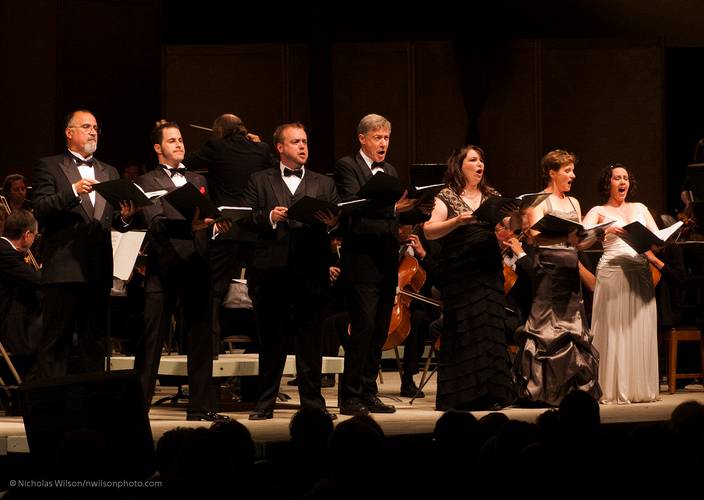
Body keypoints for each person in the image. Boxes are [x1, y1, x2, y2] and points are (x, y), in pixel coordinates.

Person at [29, 109, 137, 380]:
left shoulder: (109, 170)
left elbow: (111, 220)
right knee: (56, 342)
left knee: (95, 343)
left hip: (97, 271)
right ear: (69, 133)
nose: (93, 132)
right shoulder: (50, 165)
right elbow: (41, 208)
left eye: (96, 128)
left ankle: (91, 408)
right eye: (86, 126)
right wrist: (73, 191)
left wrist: (124, 219)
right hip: (63, 269)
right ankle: (53, 408)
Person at [242, 122, 339, 420]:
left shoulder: (324, 183)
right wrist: (269, 216)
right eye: (296, 142)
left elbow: (338, 218)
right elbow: (245, 218)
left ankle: (313, 403)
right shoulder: (259, 180)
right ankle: (265, 402)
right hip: (272, 272)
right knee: (271, 341)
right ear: (280, 147)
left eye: (305, 142)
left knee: (311, 341)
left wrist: (332, 223)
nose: (302, 147)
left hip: (311, 270)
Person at [134, 121, 229, 422]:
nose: (178, 144)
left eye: (181, 140)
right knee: (151, 341)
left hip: (198, 267)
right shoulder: (147, 181)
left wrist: (216, 224)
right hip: (163, 267)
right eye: (171, 140)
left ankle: (200, 406)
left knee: (202, 339)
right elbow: (154, 221)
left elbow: (208, 212)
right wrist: (191, 224)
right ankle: (138, 407)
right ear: (158, 148)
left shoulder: (198, 178)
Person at [333, 113, 422, 415]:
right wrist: (394, 208)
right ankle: (350, 395)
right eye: (377, 138)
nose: (383, 143)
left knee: (380, 329)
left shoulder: (390, 169)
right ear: (363, 139)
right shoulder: (348, 166)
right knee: (363, 326)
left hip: (386, 260)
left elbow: (393, 215)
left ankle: (369, 391)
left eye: (386, 138)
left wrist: (416, 211)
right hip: (361, 261)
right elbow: (352, 209)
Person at [423, 145, 515, 411]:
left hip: (487, 268)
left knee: (489, 328)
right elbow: (429, 231)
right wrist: (457, 222)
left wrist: (514, 221)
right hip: (461, 271)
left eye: (481, 160)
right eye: (473, 160)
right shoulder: (447, 196)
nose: (479, 165)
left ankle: (492, 393)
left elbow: (507, 225)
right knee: (465, 327)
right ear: (459, 165)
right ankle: (464, 396)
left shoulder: (492, 196)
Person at [512, 149, 601, 406]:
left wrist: (594, 235)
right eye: (567, 170)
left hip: (570, 268)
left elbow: (579, 242)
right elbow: (533, 237)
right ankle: (541, 390)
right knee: (545, 328)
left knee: (573, 327)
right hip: (549, 270)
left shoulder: (574, 203)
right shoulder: (539, 201)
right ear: (552, 172)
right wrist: (565, 238)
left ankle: (572, 391)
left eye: (573, 170)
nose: (572, 175)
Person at [184, 113, 278, 346]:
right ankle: (262, 352)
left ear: (219, 131)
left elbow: (186, 162)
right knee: (260, 294)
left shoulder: (216, 145)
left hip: (225, 229)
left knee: (214, 293)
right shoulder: (262, 148)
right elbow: (278, 169)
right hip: (255, 230)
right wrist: (259, 146)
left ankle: (211, 352)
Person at [582, 164, 659, 404]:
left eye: (625, 178)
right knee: (613, 328)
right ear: (609, 183)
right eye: (617, 178)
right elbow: (580, 241)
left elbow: (656, 242)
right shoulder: (598, 210)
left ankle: (639, 388)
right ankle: (613, 389)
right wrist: (603, 229)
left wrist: (658, 242)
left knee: (638, 327)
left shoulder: (640, 208)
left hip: (639, 273)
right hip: (612, 273)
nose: (622, 182)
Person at [0, 210, 42, 376]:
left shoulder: (8, 251)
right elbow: (38, 281)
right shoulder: (5, 253)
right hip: (7, 323)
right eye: (35, 235)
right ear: (27, 235)